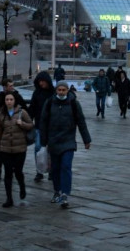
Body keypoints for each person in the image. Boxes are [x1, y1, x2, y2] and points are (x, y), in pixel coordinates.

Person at [40, 81, 91, 209]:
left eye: (64, 90)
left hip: (68, 141)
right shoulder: (50, 103)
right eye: (59, 90)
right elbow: (43, 122)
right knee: (55, 168)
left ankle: (65, 194)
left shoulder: (73, 103)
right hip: (53, 141)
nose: (61, 92)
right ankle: (57, 190)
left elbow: (81, 121)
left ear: (67, 90)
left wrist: (86, 139)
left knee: (66, 166)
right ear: (56, 90)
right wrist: (43, 140)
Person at [0, 91, 34, 208]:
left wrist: (22, 124)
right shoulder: (1, 115)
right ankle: (9, 199)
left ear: (15, 101)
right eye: (7, 100)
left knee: (18, 171)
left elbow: (31, 125)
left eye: (11, 99)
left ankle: (22, 186)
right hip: (5, 149)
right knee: (8, 173)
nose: (9, 101)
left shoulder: (22, 112)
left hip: (20, 149)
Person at [0, 78, 27, 182]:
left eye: (13, 85)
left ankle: (12, 170)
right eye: (10, 86)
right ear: (4, 87)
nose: (12, 87)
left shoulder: (17, 97)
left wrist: (23, 124)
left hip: (15, 129)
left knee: (13, 151)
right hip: (1, 128)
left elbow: (25, 110)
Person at [29, 71, 54, 182]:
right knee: (38, 148)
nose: (41, 83)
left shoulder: (53, 93)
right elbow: (32, 108)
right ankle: (39, 171)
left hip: (52, 126)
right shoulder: (36, 93)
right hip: (39, 125)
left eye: (43, 81)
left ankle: (51, 170)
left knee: (51, 150)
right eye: (39, 81)